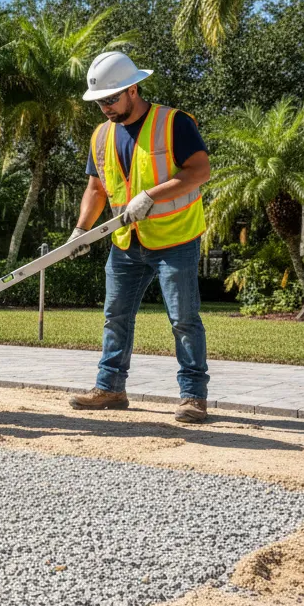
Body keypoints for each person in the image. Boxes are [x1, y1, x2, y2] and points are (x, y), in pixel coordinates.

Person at [68, 51, 212, 423]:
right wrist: (81, 229)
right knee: (115, 316)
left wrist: (151, 196)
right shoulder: (101, 135)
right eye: (99, 102)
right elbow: (97, 188)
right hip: (125, 243)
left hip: (174, 238)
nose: (105, 108)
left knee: (183, 318)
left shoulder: (173, 122)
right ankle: (110, 388)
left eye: (111, 99)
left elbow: (199, 171)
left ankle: (193, 396)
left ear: (133, 89)